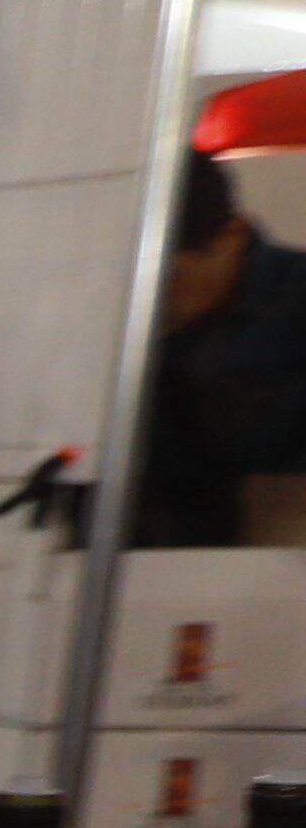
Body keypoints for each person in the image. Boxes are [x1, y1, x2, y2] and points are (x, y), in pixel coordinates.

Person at [130, 150, 306, 547]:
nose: (156, 303)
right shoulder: (140, 331)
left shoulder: (295, 304)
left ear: (233, 237)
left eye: (170, 279)